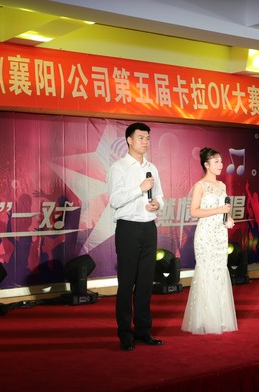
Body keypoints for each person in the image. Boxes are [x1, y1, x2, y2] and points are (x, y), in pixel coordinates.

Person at [107, 122, 164, 351]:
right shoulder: (118, 167)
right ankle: (125, 333)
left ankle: (143, 330)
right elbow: (114, 200)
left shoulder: (152, 167)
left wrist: (157, 204)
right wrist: (139, 188)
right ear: (129, 140)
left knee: (145, 283)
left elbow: (160, 195)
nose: (145, 142)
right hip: (128, 229)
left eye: (148, 138)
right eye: (141, 138)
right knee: (126, 283)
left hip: (149, 228)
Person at [181, 147, 238, 334]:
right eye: (216, 161)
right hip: (205, 235)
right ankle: (205, 320)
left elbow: (224, 210)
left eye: (221, 161)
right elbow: (194, 211)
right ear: (206, 164)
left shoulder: (222, 186)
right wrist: (218, 211)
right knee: (206, 272)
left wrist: (228, 219)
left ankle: (220, 318)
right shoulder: (200, 186)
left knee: (220, 271)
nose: (221, 165)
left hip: (220, 234)